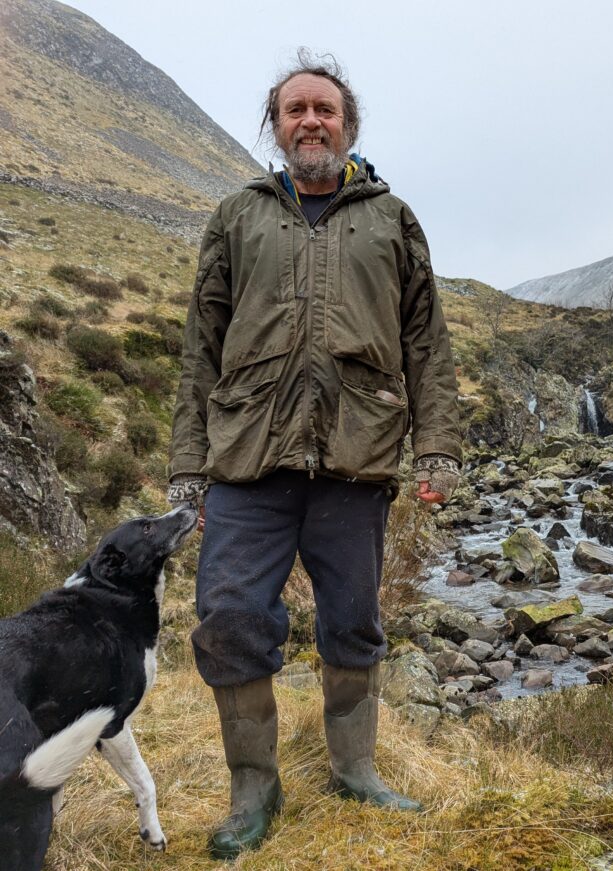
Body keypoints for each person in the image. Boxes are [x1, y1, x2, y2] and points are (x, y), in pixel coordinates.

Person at [166, 52, 462, 860]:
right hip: (247, 461)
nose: (310, 121)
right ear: (276, 124)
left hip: (355, 459)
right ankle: (253, 789)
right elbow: (202, 346)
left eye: (324, 109)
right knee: (228, 619)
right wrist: (186, 464)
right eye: (295, 109)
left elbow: (426, 344)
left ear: (348, 124)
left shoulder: (393, 219)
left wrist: (438, 447)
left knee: (354, 620)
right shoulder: (237, 215)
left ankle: (355, 768)